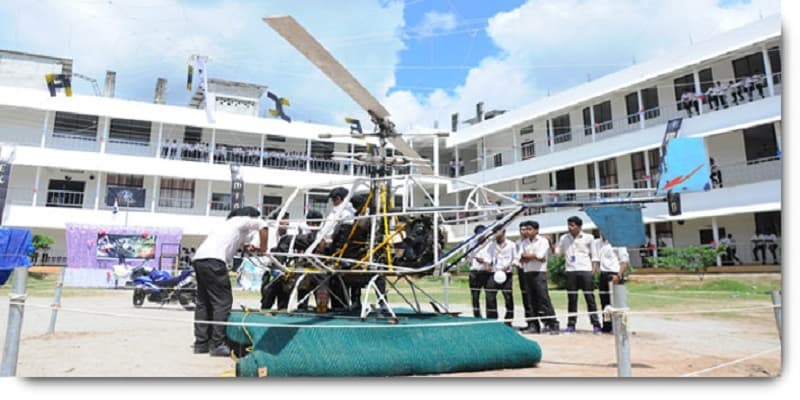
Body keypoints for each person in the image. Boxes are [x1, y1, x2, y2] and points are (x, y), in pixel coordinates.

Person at [191, 206, 267, 357]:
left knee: (203, 302)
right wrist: (264, 248)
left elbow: (240, 243)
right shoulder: (241, 220)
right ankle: (218, 344)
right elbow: (263, 225)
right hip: (215, 261)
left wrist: (250, 247)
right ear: (248, 216)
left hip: (200, 260)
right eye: (254, 217)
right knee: (222, 302)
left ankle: (201, 343)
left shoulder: (226, 225)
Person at [553, 216, 601, 334]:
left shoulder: (589, 238)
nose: (570, 227)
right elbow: (558, 254)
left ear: (579, 226)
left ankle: (596, 324)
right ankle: (571, 324)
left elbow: (594, 255)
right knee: (572, 300)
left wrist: (593, 271)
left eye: (572, 225)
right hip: (571, 271)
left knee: (590, 299)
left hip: (585, 270)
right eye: (569, 225)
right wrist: (551, 244)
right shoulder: (564, 238)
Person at [518, 220, 559, 334]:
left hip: (539, 272)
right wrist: (532, 256)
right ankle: (533, 325)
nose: (527, 231)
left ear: (536, 230)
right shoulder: (524, 242)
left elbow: (541, 257)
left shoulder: (543, 241)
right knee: (530, 300)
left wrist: (528, 257)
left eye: (530, 229)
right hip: (527, 272)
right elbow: (520, 257)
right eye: (526, 229)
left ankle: (552, 324)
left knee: (543, 299)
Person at [593, 236, 629, 333]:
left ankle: (620, 327)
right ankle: (607, 326)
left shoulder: (618, 242)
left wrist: (619, 275)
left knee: (617, 303)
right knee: (605, 303)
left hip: (615, 274)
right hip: (603, 275)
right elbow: (596, 260)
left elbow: (624, 261)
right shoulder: (598, 243)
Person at [484, 229, 516, 326]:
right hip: (494, 273)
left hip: (506, 273)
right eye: (495, 232)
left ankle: (508, 320)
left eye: (498, 232)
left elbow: (515, 258)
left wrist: (510, 265)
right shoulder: (491, 245)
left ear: (503, 232)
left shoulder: (511, 245)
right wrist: (487, 265)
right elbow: (487, 257)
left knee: (508, 297)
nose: (496, 234)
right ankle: (492, 319)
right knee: (490, 296)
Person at [468, 225, 492, 318]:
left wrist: (485, 262)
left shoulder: (490, 244)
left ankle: (490, 315)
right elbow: (468, 258)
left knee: (489, 296)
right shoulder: (471, 244)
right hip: (475, 272)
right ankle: (477, 315)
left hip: (486, 272)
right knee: (475, 296)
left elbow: (492, 257)